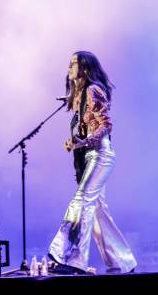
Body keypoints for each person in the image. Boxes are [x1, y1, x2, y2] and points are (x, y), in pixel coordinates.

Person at [48, 51, 137, 274]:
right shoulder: (80, 95)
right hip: (91, 155)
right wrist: (77, 142)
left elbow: (106, 125)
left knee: (82, 201)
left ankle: (71, 259)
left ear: (85, 68)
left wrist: (84, 141)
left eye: (73, 64)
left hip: (101, 155)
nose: (68, 68)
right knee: (98, 211)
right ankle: (122, 262)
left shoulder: (93, 90)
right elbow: (87, 129)